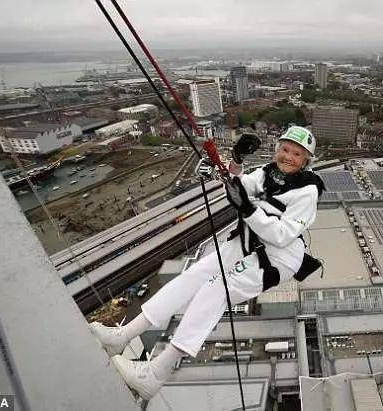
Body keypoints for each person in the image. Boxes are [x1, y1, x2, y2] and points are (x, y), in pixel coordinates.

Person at [89, 126, 324, 400]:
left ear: (306, 161)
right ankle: (123, 336)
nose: (288, 156)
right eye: (285, 149)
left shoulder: (308, 191)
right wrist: (235, 160)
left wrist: (247, 208)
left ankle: (156, 373)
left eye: (297, 154)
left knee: (216, 290)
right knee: (192, 277)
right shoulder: (266, 173)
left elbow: (282, 235)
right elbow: (237, 184)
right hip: (247, 243)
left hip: (277, 258)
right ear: (276, 149)